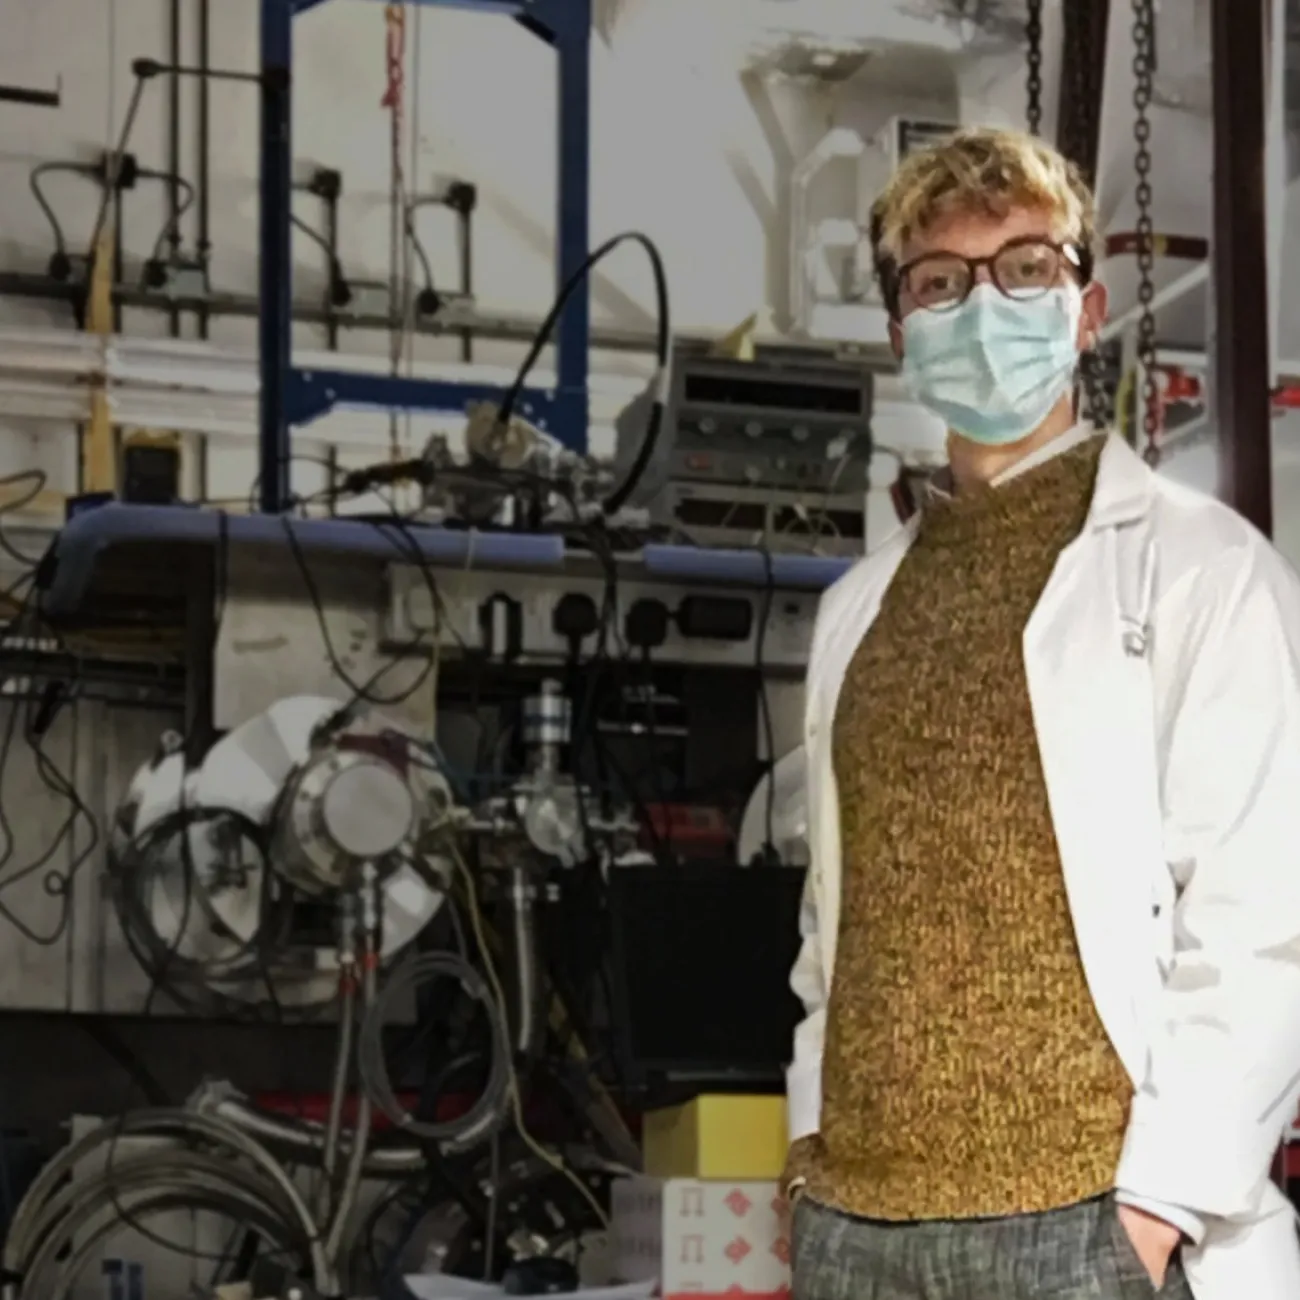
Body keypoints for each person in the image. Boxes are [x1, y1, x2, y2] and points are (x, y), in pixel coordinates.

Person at [783, 125, 1300, 1300]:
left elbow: (1270, 912)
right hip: (856, 1224)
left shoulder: (1202, 569)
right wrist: (811, 1151)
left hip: (1086, 1223)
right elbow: (835, 932)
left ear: (1083, 306)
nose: (982, 306)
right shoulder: (860, 608)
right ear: (900, 327)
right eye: (939, 282)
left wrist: (1157, 1210)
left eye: (1023, 267)